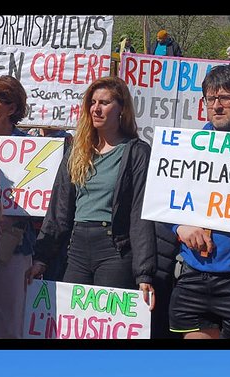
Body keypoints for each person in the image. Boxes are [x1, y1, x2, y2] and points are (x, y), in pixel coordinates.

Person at [27, 77, 159, 331]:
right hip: (75, 249)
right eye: (93, 103)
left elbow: (140, 214)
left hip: (114, 249)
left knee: (107, 327)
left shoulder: (136, 151)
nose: (96, 109)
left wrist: (144, 273)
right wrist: (41, 258)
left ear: (121, 109)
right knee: (68, 325)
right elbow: (59, 209)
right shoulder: (77, 150)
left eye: (105, 103)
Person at [168, 65, 230, 339]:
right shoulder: (186, 147)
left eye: (225, 98)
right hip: (193, 274)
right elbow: (163, 201)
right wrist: (179, 227)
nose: (216, 106)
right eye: (211, 99)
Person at [0, 75, 39, 338]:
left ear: (11, 108)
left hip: (13, 248)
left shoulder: (34, 149)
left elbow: (39, 207)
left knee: (10, 323)